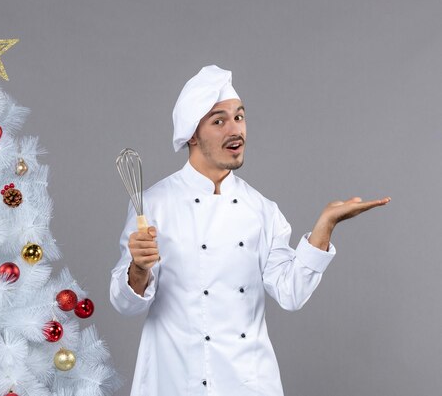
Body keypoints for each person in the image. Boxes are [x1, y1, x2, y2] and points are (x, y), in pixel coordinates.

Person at [109, 65, 390, 396]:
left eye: (239, 117)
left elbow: (292, 293)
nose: (235, 129)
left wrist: (324, 225)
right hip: (174, 379)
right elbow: (125, 305)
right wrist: (139, 268)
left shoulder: (262, 210)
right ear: (192, 135)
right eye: (219, 120)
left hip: (247, 382)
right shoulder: (153, 204)